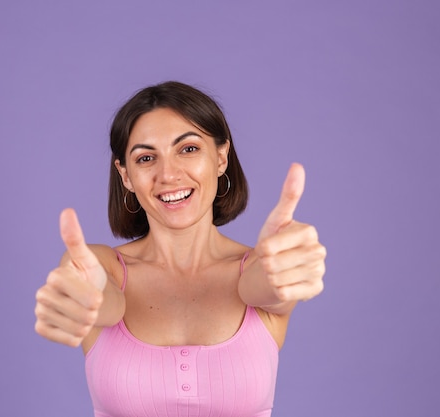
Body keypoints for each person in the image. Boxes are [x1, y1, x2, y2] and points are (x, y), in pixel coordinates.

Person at [34, 81, 326, 417]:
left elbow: (266, 284)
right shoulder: (102, 266)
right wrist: (83, 298)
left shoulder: (259, 268)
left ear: (220, 157)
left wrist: (287, 265)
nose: (168, 174)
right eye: (146, 158)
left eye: (188, 149)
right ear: (126, 175)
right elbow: (102, 299)